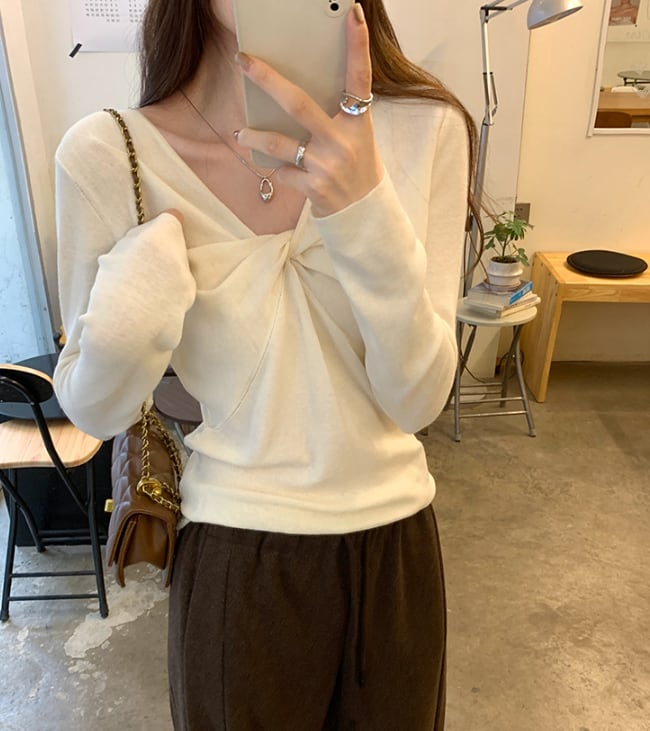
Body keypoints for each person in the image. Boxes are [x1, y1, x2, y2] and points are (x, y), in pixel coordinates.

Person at [53, 0, 479, 728]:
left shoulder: (425, 127)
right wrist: (139, 297)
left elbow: (417, 399)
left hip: (398, 556)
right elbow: (93, 407)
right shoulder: (111, 152)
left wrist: (364, 209)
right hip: (236, 564)